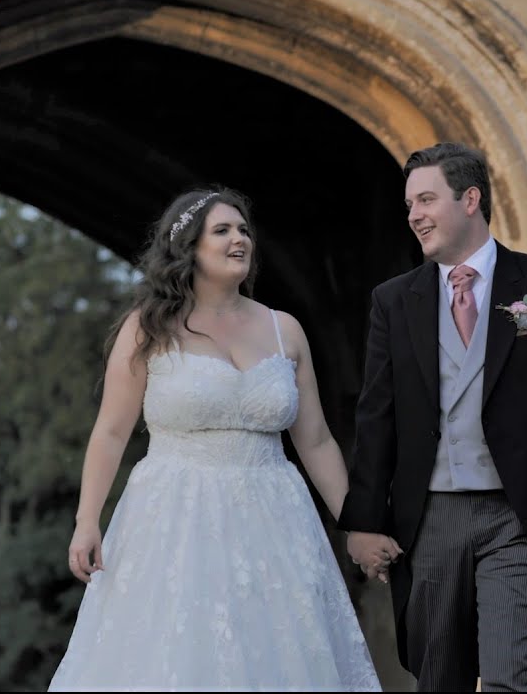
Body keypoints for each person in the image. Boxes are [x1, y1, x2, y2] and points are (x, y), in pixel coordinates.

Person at [48, 186, 397, 692]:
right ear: (188, 248)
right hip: (174, 518)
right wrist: (87, 521)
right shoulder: (148, 329)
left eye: (244, 230)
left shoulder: (285, 330)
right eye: (222, 230)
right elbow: (111, 431)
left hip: (275, 519)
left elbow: (317, 441)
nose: (240, 239)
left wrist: (358, 526)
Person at [339, 143, 527, 691]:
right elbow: (376, 416)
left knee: (511, 676)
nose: (414, 215)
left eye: (427, 199)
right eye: (410, 204)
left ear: (471, 199)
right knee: (441, 680)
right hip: (429, 518)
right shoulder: (393, 301)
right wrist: (364, 522)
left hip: (517, 515)